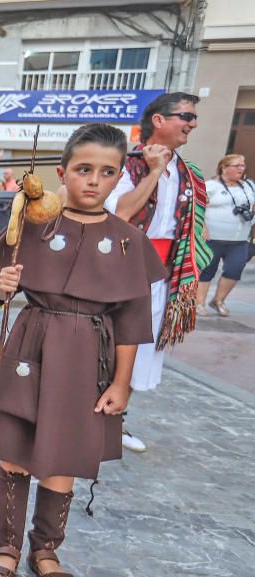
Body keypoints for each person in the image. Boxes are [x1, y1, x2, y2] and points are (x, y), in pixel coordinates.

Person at [0, 123, 166, 577]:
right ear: (62, 172)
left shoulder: (128, 241)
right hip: (32, 346)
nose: (93, 181)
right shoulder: (36, 226)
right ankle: (7, 545)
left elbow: (130, 322)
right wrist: (2, 286)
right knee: (17, 451)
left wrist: (121, 385)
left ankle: (46, 547)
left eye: (107, 172)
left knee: (63, 456)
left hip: (88, 358)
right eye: (83, 170)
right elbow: (0, 278)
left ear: (120, 177)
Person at [104, 92, 211, 453]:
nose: (192, 124)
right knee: (107, 343)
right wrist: (152, 172)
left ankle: (116, 421)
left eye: (194, 117)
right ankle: (88, 419)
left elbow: (189, 229)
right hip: (120, 269)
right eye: (186, 116)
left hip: (162, 274)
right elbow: (121, 213)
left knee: (142, 347)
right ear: (159, 121)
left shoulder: (188, 174)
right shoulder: (126, 163)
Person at [197, 154, 254, 316]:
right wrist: (203, 226)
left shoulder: (249, 186)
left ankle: (218, 300)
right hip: (212, 238)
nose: (241, 169)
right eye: (237, 166)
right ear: (224, 167)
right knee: (207, 270)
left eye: (243, 166)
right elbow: (198, 207)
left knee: (235, 270)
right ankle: (199, 303)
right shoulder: (210, 186)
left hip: (240, 239)